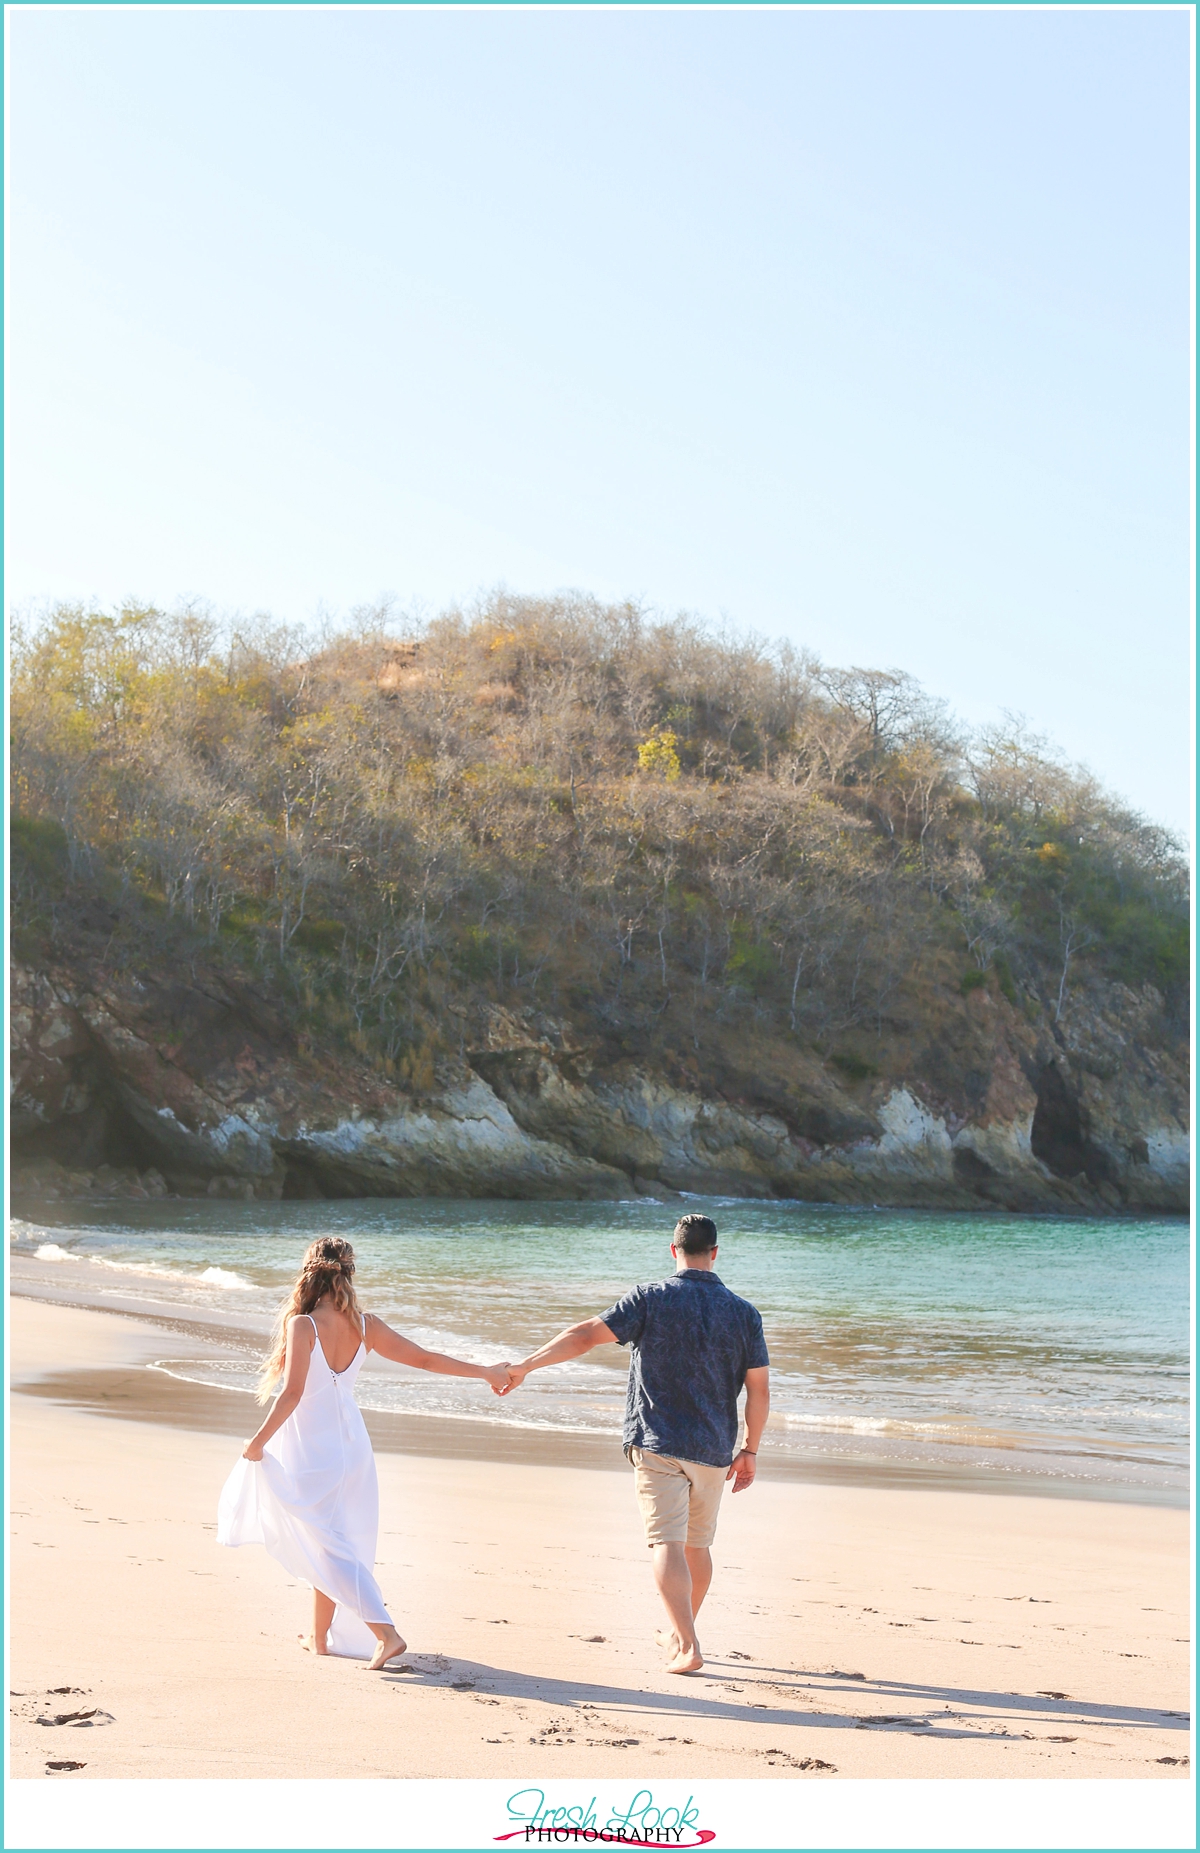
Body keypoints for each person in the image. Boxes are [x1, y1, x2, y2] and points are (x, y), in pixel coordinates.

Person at [217, 1236, 511, 1670]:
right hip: (353, 1446)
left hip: (314, 1446)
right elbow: (426, 1360)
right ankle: (319, 1639)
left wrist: (257, 1442)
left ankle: (385, 1633)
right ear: (349, 1272)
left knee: (327, 1541)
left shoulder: (303, 1326)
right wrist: (486, 1371)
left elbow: (293, 1393)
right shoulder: (365, 1325)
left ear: (308, 1272)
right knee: (331, 1539)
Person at [500, 1213, 769, 1675]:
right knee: (697, 1546)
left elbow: (584, 1336)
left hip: (658, 1441)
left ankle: (686, 1642)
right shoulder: (745, 1313)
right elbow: (759, 1390)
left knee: (667, 1540)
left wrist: (526, 1365)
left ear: (673, 1250)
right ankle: (681, 1632)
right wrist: (750, 1450)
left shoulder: (650, 1298)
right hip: (713, 1447)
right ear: (716, 1253)